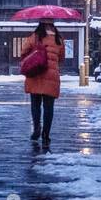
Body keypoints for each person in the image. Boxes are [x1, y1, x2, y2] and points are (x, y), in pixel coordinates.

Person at [20, 18, 65, 149]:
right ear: (53, 25)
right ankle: (46, 135)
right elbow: (61, 58)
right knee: (49, 108)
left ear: (40, 24)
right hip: (51, 76)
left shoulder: (35, 37)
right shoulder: (58, 39)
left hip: (36, 74)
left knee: (35, 105)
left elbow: (23, 52)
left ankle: (36, 129)